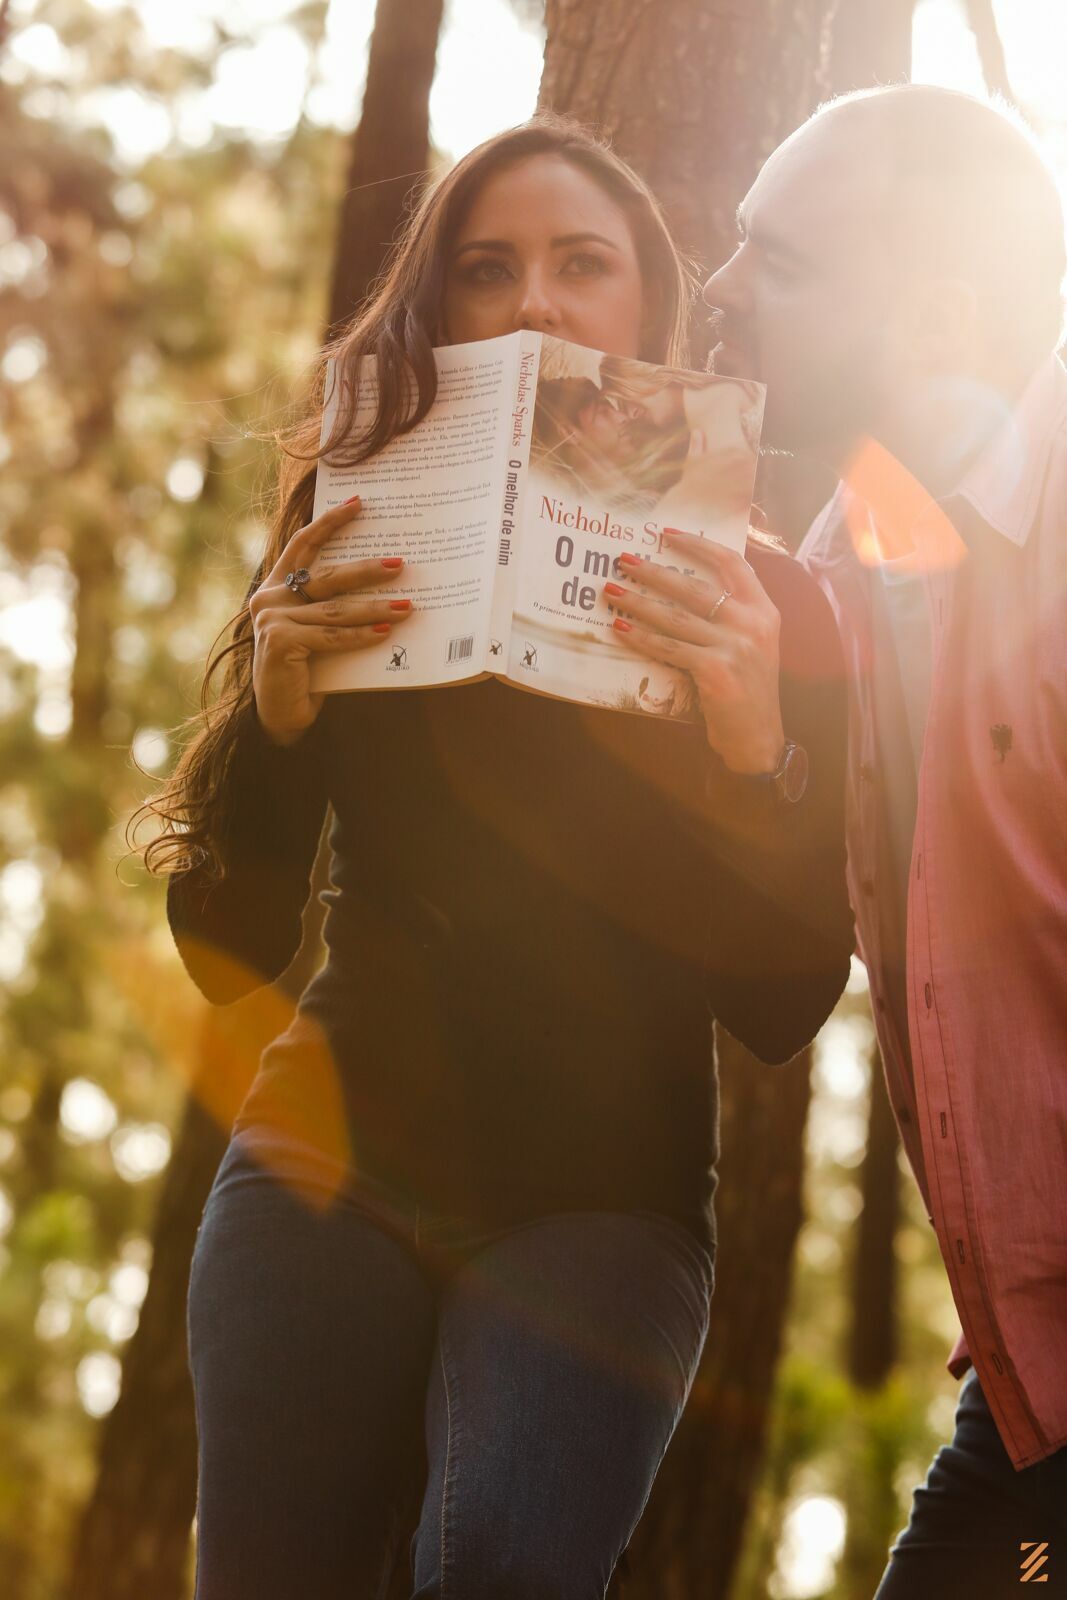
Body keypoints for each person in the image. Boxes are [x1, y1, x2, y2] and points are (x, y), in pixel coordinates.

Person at [141, 113, 852, 1600]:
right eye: (487, 268)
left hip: (602, 1199)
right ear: (438, 309)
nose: (535, 300)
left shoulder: (770, 606)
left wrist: (751, 753)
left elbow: (784, 1008)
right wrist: (275, 725)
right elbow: (223, 956)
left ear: (650, 303)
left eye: (581, 264)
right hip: (327, 1168)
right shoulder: (355, 530)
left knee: (507, 1570)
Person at [699, 84, 1067, 1596]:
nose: (717, 294)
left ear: (934, 320)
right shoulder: (845, 575)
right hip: (1031, 1385)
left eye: (776, 263)